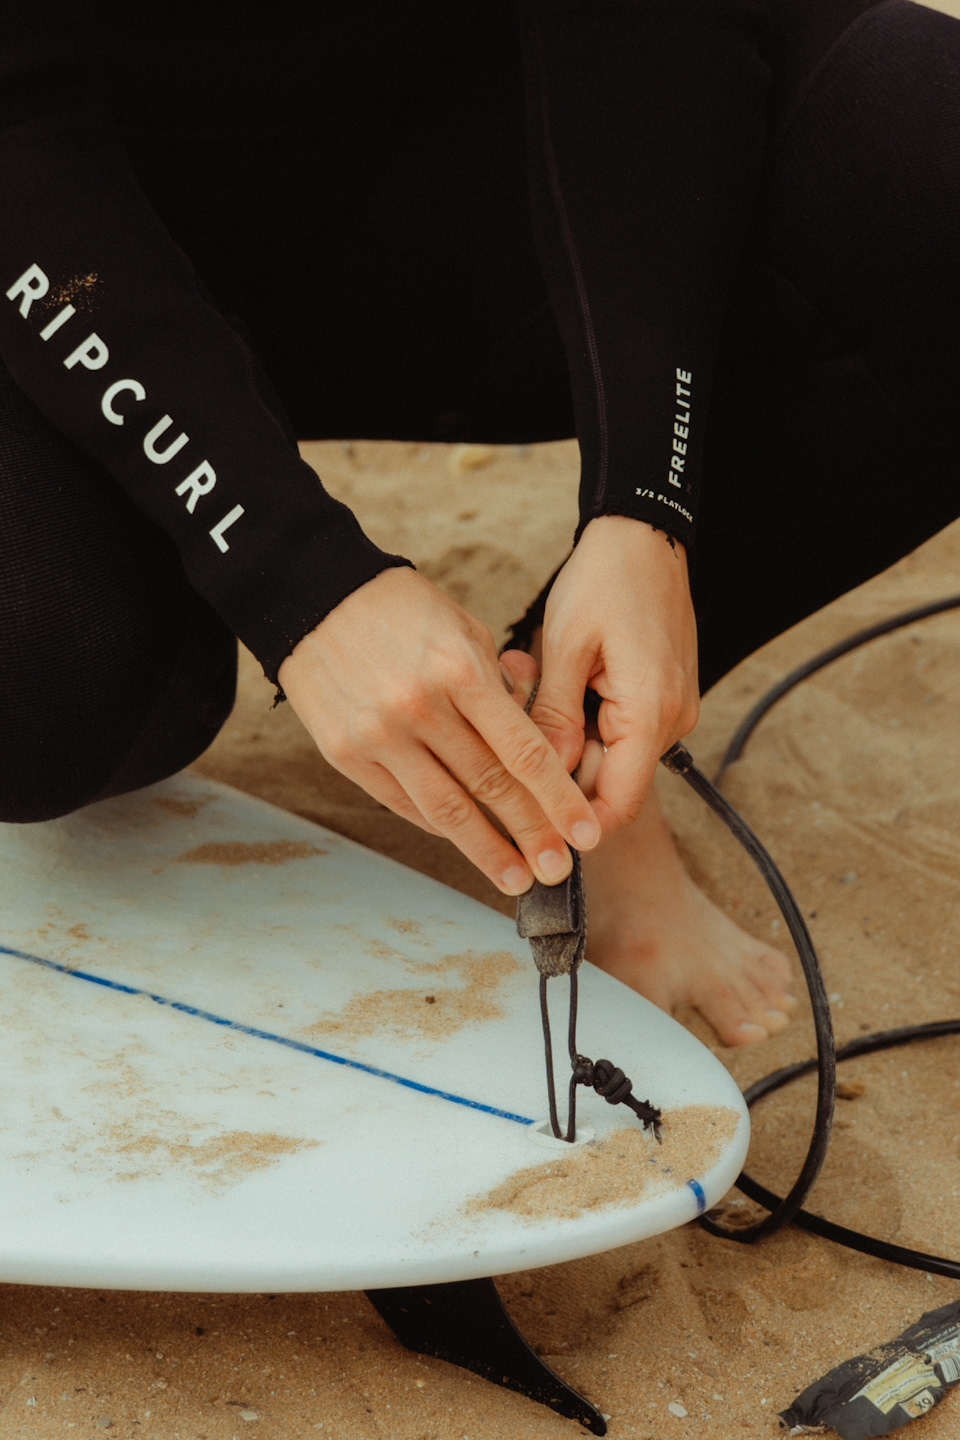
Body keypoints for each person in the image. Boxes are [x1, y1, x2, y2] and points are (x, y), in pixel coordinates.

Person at [2, 0, 958, 1047]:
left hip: (443, 167)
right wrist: (292, 574)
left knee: (928, 151)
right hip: (58, 247)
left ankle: (580, 747)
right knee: (42, 685)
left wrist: (645, 499)